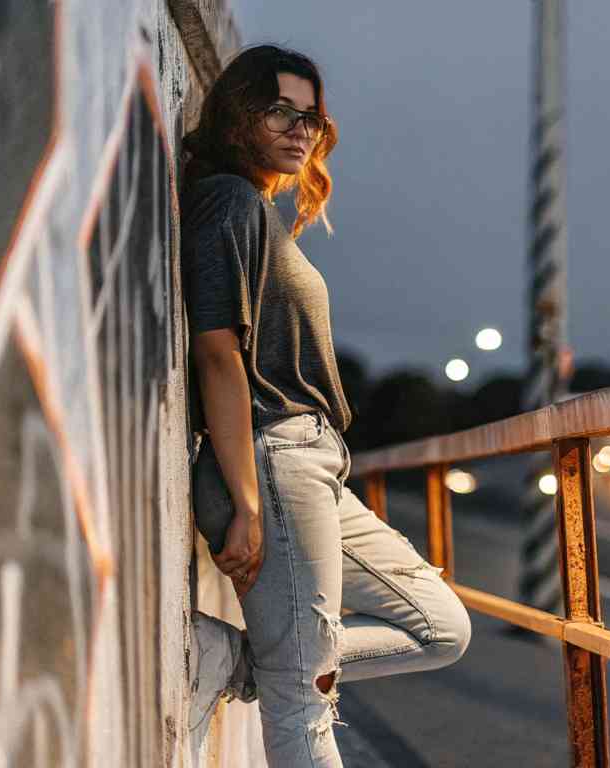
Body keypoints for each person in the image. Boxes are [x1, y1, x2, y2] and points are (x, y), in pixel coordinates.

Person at [179, 45, 472, 767]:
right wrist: (244, 502)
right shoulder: (229, 202)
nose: (301, 129)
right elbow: (218, 353)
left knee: (440, 626)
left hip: (311, 466)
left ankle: (231, 659)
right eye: (280, 110)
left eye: (311, 116)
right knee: (304, 704)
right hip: (272, 459)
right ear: (238, 113)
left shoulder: (256, 211)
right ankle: (267, 667)